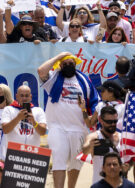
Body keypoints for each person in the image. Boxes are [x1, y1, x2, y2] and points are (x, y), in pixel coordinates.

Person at [38, 52, 99, 188]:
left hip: (79, 128)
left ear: (75, 64)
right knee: (58, 161)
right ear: (60, 65)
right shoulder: (54, 77)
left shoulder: (84, 80)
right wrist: (60, 56)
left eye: (70, 63)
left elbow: (95, 102)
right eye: (64, 64)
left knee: (74, 164)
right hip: (57, 128)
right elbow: (41, 70)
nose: (68, 65)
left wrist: (93, 118)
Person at [0, 85, 47, 160]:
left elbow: (43, 132)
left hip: (33, 155)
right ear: (17, 96)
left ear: (30, 97)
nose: (24, 98)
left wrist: (34, 122)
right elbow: (5, 130)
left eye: (26, 96)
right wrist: (18, 118)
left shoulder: (38, 110)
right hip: (13, 155)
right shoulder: (8, 109)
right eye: (21, 96)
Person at [81, 105, 121, 183]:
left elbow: (132, 158)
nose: (112, 124)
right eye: (109, 122)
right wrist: (90, 146)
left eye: (115, 121)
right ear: (101, 120)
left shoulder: (122, 137)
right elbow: (85, 151)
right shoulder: (94, 136)